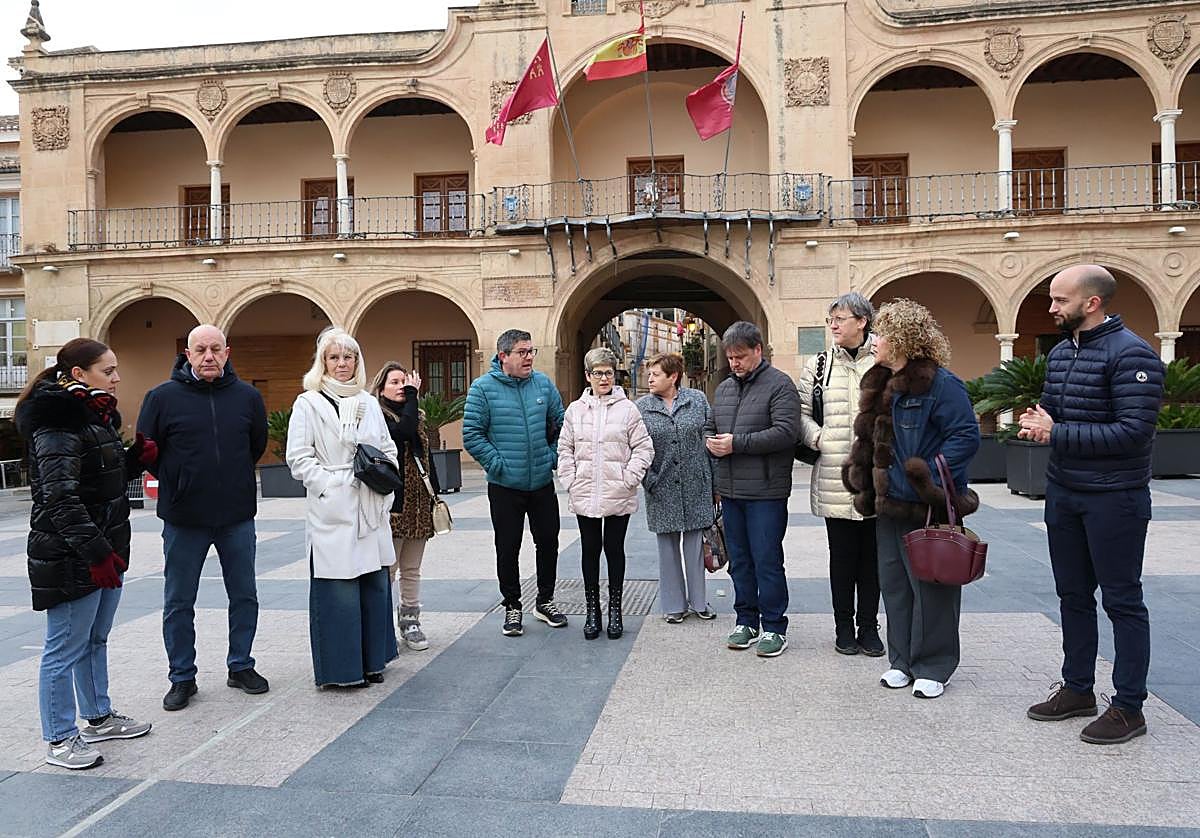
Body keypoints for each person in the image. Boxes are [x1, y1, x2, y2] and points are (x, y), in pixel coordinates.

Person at [1020, 265, 1164, 745]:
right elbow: (1053, 410)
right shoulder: (1061, 352)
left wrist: (1055, 431)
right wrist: (1039, 421)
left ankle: (1129, 707)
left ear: (1092, 303)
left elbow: (1133, 432)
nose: (1052, 308)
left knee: (1123, 601)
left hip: (1115, 497)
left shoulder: (1133, 355)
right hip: (1065, 491)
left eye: (1060, 300)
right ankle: (1078, 688)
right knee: (1072, 595)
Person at [17, 338, 155, 769]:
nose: (116, 378)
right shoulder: (58, 421)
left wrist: (134, 461)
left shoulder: (94, 415)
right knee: (63, 648)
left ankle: (98, 716)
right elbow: (58, 497)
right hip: (71, 554)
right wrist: (95, 554)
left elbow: (98, 478)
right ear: (79, 374)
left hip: (103, 548)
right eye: (108, 370)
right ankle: (59, 738)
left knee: (94, 639)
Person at [843, 299, 980, 699]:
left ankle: (934, 665)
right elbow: (870, 437)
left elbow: (966, 438)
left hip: (926, 506)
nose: (874, 341)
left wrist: (927, 474)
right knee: (896, 586)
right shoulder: (881, 381)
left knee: (933, 588)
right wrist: (861, 473)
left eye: (881, 334)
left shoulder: (942, 384)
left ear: (902, 339)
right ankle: (901, 661)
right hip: (888, 505)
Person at [138, 324, 268, 712]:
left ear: (227, 353)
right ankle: (182, 677)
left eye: (215, 349)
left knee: (244, 594)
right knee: (179, 600)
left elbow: (255, 446)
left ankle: (241, 665)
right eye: (200, 350)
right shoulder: (161, 397)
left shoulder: (247, 397)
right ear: (188, 354)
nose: (208, 356)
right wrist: (180, 480)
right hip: (184, 517)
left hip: (236, 516)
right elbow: (148, 451)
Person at [286, 328, 399, 687]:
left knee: (372, 585)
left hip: (370, 505)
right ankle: (341, 671)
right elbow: (298, 459)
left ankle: (371, 663)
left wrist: (385, 486)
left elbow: (388, 449)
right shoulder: (308, 403)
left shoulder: (368, 403)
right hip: (334, 506)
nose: (341, 364)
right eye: (334, 357)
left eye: (348, 357)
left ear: (357, 361)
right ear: (323, 362)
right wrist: (332, 486)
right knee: (339, 589)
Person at [705, 322, 802, 658]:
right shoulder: (726, 388)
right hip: (732, 491)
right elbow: (713, 425)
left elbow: (787, 433)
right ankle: (746, 620)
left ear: (758, 350)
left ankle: (774, 626)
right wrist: (710, 441)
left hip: (766, 491)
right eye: (731, 357)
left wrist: (737, 445)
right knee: (740, 561)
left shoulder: (780, 386)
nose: (735, 363)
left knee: (767, 560)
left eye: (741, 357)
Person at [463, 329, 567, 637]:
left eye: (531, 351)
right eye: (522, 352)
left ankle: (545, 600)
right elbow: (472, 434)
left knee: (548, 542)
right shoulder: (483, 389)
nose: (529, 357)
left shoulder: (543, 384)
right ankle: (512, 605)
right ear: (503, 356)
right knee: (508, 547)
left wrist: (551, 457)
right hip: (505, 485)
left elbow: (563, 425)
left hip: (541, 483)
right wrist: (499, 465)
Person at [798, 292, 884, 657]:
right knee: (842, 558)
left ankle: (869, 627)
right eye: (830, 319)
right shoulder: (818, 365)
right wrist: (818, 437)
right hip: (835, 475)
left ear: (862, 321)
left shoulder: (884, 359)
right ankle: (843, 627)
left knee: (874, 560)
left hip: (877, 477)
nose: (832, 325)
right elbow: (800, 412)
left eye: (840, 318)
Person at [558, 348, 654, 639]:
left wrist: (630, 478)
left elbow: (644, 447)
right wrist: (570, 480)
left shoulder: (628, 409)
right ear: (588, 376)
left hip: (618, 492)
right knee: (589, 551)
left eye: (608, 373)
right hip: (585, 492)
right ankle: (592, 610)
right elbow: (564, 448)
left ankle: (615, 610)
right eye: (598, 373)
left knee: (614, 550)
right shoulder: (575, 410)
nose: (603, 378)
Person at [636, 352, 716, 623]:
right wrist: (648, 479)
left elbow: (710, 439)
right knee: (667, 548)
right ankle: (673, 605)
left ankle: (699, 602)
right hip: (662, 486)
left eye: (656, 374)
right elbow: (633, 446)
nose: (650, 379)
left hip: (696, 483)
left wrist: (714, 482)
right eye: (649, 374)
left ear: (673, 377)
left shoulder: (697, 400)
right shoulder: (641, 407)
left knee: (695, 546)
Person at [372, 362, 438, 652]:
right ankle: (381, 624)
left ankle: (410, 622)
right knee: (389, 568)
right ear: (381, 387)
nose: (401, 387)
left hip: (419, 503)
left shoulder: (418, 415)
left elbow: (425, 453)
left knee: (412, 568)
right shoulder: (378, 416)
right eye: (395, 382)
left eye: (404, 382)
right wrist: (413, 396)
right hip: (394, 504)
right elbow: (403, 433)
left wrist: (435, 494)